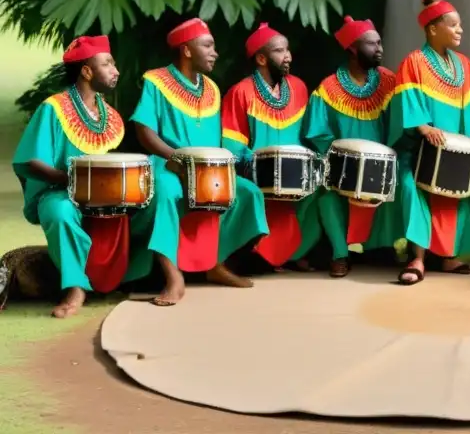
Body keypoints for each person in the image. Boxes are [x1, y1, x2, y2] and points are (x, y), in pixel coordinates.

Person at [130, 18, 269, 306]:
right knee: (167, 194)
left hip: (206, 169)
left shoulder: (213, 89)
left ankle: (216, 264)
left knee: (247, 193)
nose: (214, 52)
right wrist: (175, 158)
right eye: (207, 45)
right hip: (166, 163)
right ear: (187, 50)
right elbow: (144, 131)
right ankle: (173, 276)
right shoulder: (155, 81)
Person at [12, 36, 148, 317]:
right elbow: (32, 160)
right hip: (59, 190)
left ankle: (126, 277)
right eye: (107, 64)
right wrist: (71, 180)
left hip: (105, 194)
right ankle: (75, 288)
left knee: (144, 204)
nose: (116, 70)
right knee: (60, 211)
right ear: (87, 71)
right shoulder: (53, 108)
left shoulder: (110, 116)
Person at [388, 0, 470, 285]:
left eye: (461, 26)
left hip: (454, 152)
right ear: (433, 29)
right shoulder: (414, 62)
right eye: (454, 25)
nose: (460, 30)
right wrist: (423, 128)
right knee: (413, 188)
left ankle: (447, 255)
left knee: (455, 194)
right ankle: (417, 258)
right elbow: (407, 99)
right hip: (420, 151)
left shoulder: (465, 66)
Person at [301, 16, 401, 278]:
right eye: (372, 44)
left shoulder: (390, 82)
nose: (379, 48)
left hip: (383, 167)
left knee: (400, 184)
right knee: (328, 196)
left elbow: (400, 124)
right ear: (353, 49)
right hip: (341, 167)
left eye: (380, 43)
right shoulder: (327, 89)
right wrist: (344, 161)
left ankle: (381, 247)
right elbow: (318, 134)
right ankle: (339, 254)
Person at [221, 23, 315, 271]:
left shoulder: (299, 88)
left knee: (325, 192)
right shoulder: (239, 92)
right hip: (258, 178)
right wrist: (258, 162)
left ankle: (301, 252)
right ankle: (253, 254)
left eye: (288, 50)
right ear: (261, 58)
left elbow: (307, 137)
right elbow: (232, 147)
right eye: (280, 51)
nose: (288, 57)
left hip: (298, 179)